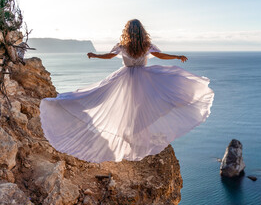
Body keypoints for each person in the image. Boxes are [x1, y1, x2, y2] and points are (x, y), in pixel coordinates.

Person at [40, 19, 214, 163]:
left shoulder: (123, 45)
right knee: (141, 107)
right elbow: (161, 56)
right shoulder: (147, 45)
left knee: (107, 100)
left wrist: (94, 55)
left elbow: (109, 56)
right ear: (142, 32)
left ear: (127, 32)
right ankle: (136, 137)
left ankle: (129, 135)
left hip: (125, 78)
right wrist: (177, 56)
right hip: (144, 78)